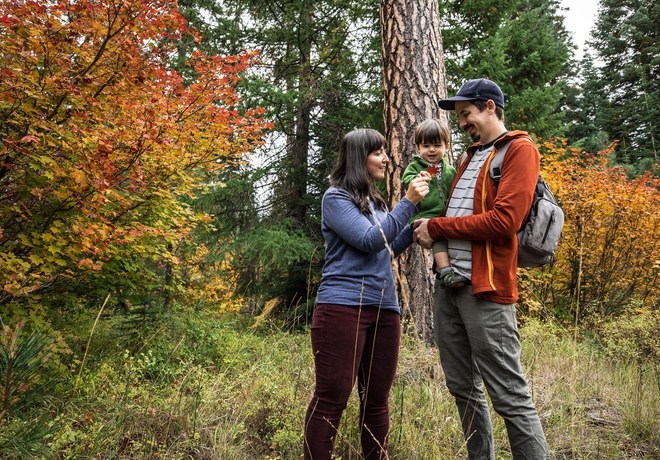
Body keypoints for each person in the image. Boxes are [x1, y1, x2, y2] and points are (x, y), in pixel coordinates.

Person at [413, 78, 550, 459]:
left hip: (486, 288)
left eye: (466, 114)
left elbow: (504, 221)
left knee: (509, 395)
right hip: (449, 286)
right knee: (463, 387)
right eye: (458, 117)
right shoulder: (471, 155)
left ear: (490, 107)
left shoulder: (520, 150)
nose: (461, 123)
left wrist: (436, 228)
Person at [304, 128, 430, 460]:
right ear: (360, 158)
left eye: (385, 152)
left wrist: (416, 226)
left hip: (385, 308)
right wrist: (408, 202)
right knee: (333, 396)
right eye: (378, 153)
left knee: (376, 399)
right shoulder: (336, 198)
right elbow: (369, 240)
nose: (386, 159)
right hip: (343, 306)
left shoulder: (374, 201)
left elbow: (386, 247)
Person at [402, 118, 467, 288]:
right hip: (424, 214)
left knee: (451, 238)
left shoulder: (450, 170)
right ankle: (446, 271)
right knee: (438, 240)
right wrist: (417, 179)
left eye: (437, 145)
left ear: (447, 146)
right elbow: (406, 180)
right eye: (426, 146)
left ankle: (453, 268)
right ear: (418, 148)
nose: (431, 150)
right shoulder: (416, 167)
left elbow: (455, 188)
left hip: (445, 215)